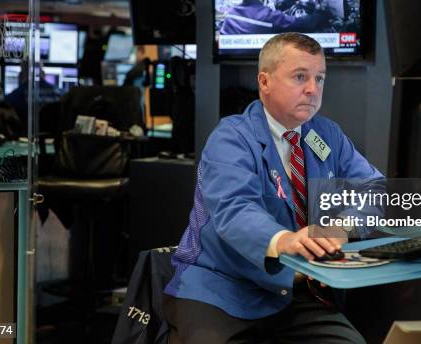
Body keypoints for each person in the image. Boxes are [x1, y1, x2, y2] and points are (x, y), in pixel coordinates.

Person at [163, 32, 384, 343]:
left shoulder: (325, 134)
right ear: (264, 82)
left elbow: (374, 188)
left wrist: (342, 226)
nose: (312, 89)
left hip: (293, 292)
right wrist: (285, 241)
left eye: (319, 78)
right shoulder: (232, 138)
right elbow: (234, 210)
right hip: (220, 291)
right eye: (300, 77)